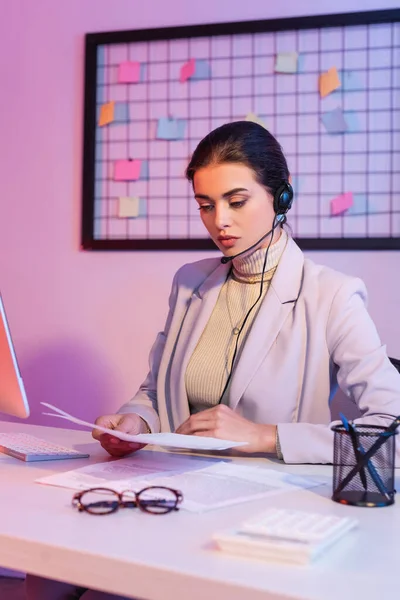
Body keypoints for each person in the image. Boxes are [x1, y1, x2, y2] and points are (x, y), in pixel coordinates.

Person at [26, 121, 400, 599]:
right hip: (174, 503)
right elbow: (154, 390)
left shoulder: (332, 295)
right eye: (206, 205)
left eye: (236, 201)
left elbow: (391, 428)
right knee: (55, 557)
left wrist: (263, 436)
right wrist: (135, 422)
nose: (219, 221)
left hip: (266, 520)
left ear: (281, 198)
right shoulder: (190, 282)